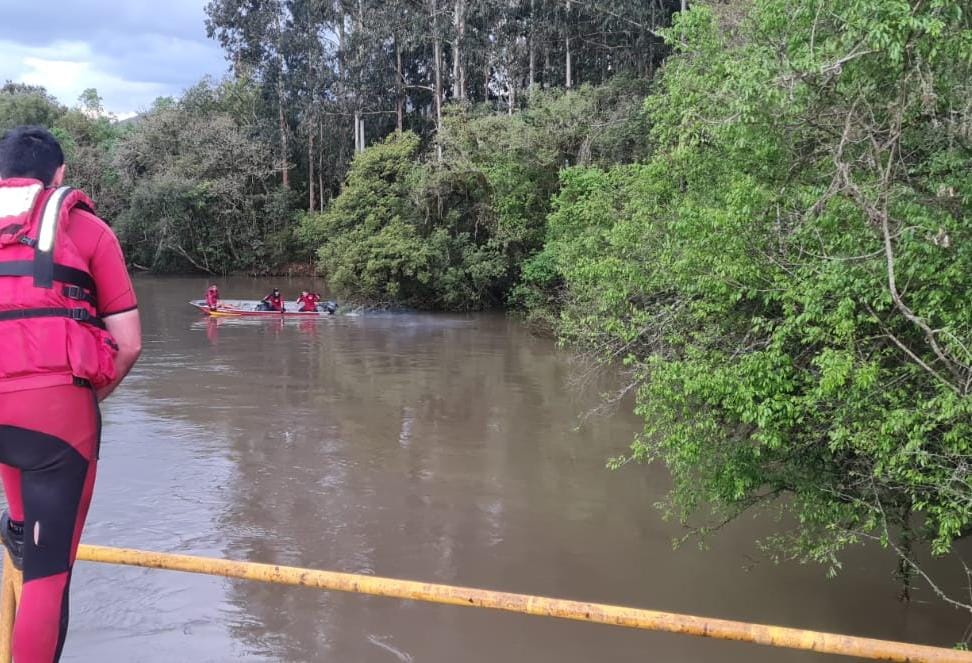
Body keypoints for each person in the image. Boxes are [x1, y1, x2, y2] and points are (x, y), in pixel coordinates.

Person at [0, 126, 142, 663]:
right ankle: (25, 531)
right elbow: (126, 346)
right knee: (46, 576)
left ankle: (17, 521)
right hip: (53, 420)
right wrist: (81, 399)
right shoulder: (87, 231)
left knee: (20, 467)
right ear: (59, 176)